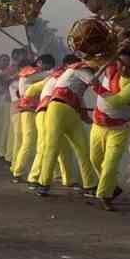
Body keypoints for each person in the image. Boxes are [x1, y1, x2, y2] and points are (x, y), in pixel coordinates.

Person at [36, 53, 100, 197]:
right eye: (97, 62)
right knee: (52, 147)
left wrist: (91, 119)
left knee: (83, 149)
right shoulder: (78, 69)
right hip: (58, 108)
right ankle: (43, 183)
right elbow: (96, 84)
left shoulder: (77, 72)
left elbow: (79, 99)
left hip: (72, 113)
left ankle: (90, 185)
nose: (98, 66)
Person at [89, 48, 130, 212]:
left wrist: (97, 88)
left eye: (129, 65)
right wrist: (114, 47)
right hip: (98, 125)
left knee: (109, 164)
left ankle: (105, 195)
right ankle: (112, 187)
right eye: (121, 63)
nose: (124, 68)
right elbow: (98, 55)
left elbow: (116, 101)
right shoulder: (110, 67)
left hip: (118, 129)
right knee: (95, 160)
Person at [27, 55, 78, 191]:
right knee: (44, 146)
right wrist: (30, 103)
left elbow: (31, 90)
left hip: (56, 114)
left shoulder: (57, 76)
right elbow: (31, 89)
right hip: (45, 112)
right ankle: (34, 178)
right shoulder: (59, 76)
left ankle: (68, 180)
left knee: (64, 148)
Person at [10, 53, 51, 183]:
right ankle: (18, 172)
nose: (45, 69)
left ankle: (22, 170)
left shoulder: (35, 74)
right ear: (39, 62)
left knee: (37, 142)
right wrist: (53, 72)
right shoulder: (28, 71)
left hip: (35, 110)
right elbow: (44, 77)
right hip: (28, 111)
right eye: (46, 66)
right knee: (28, 142)